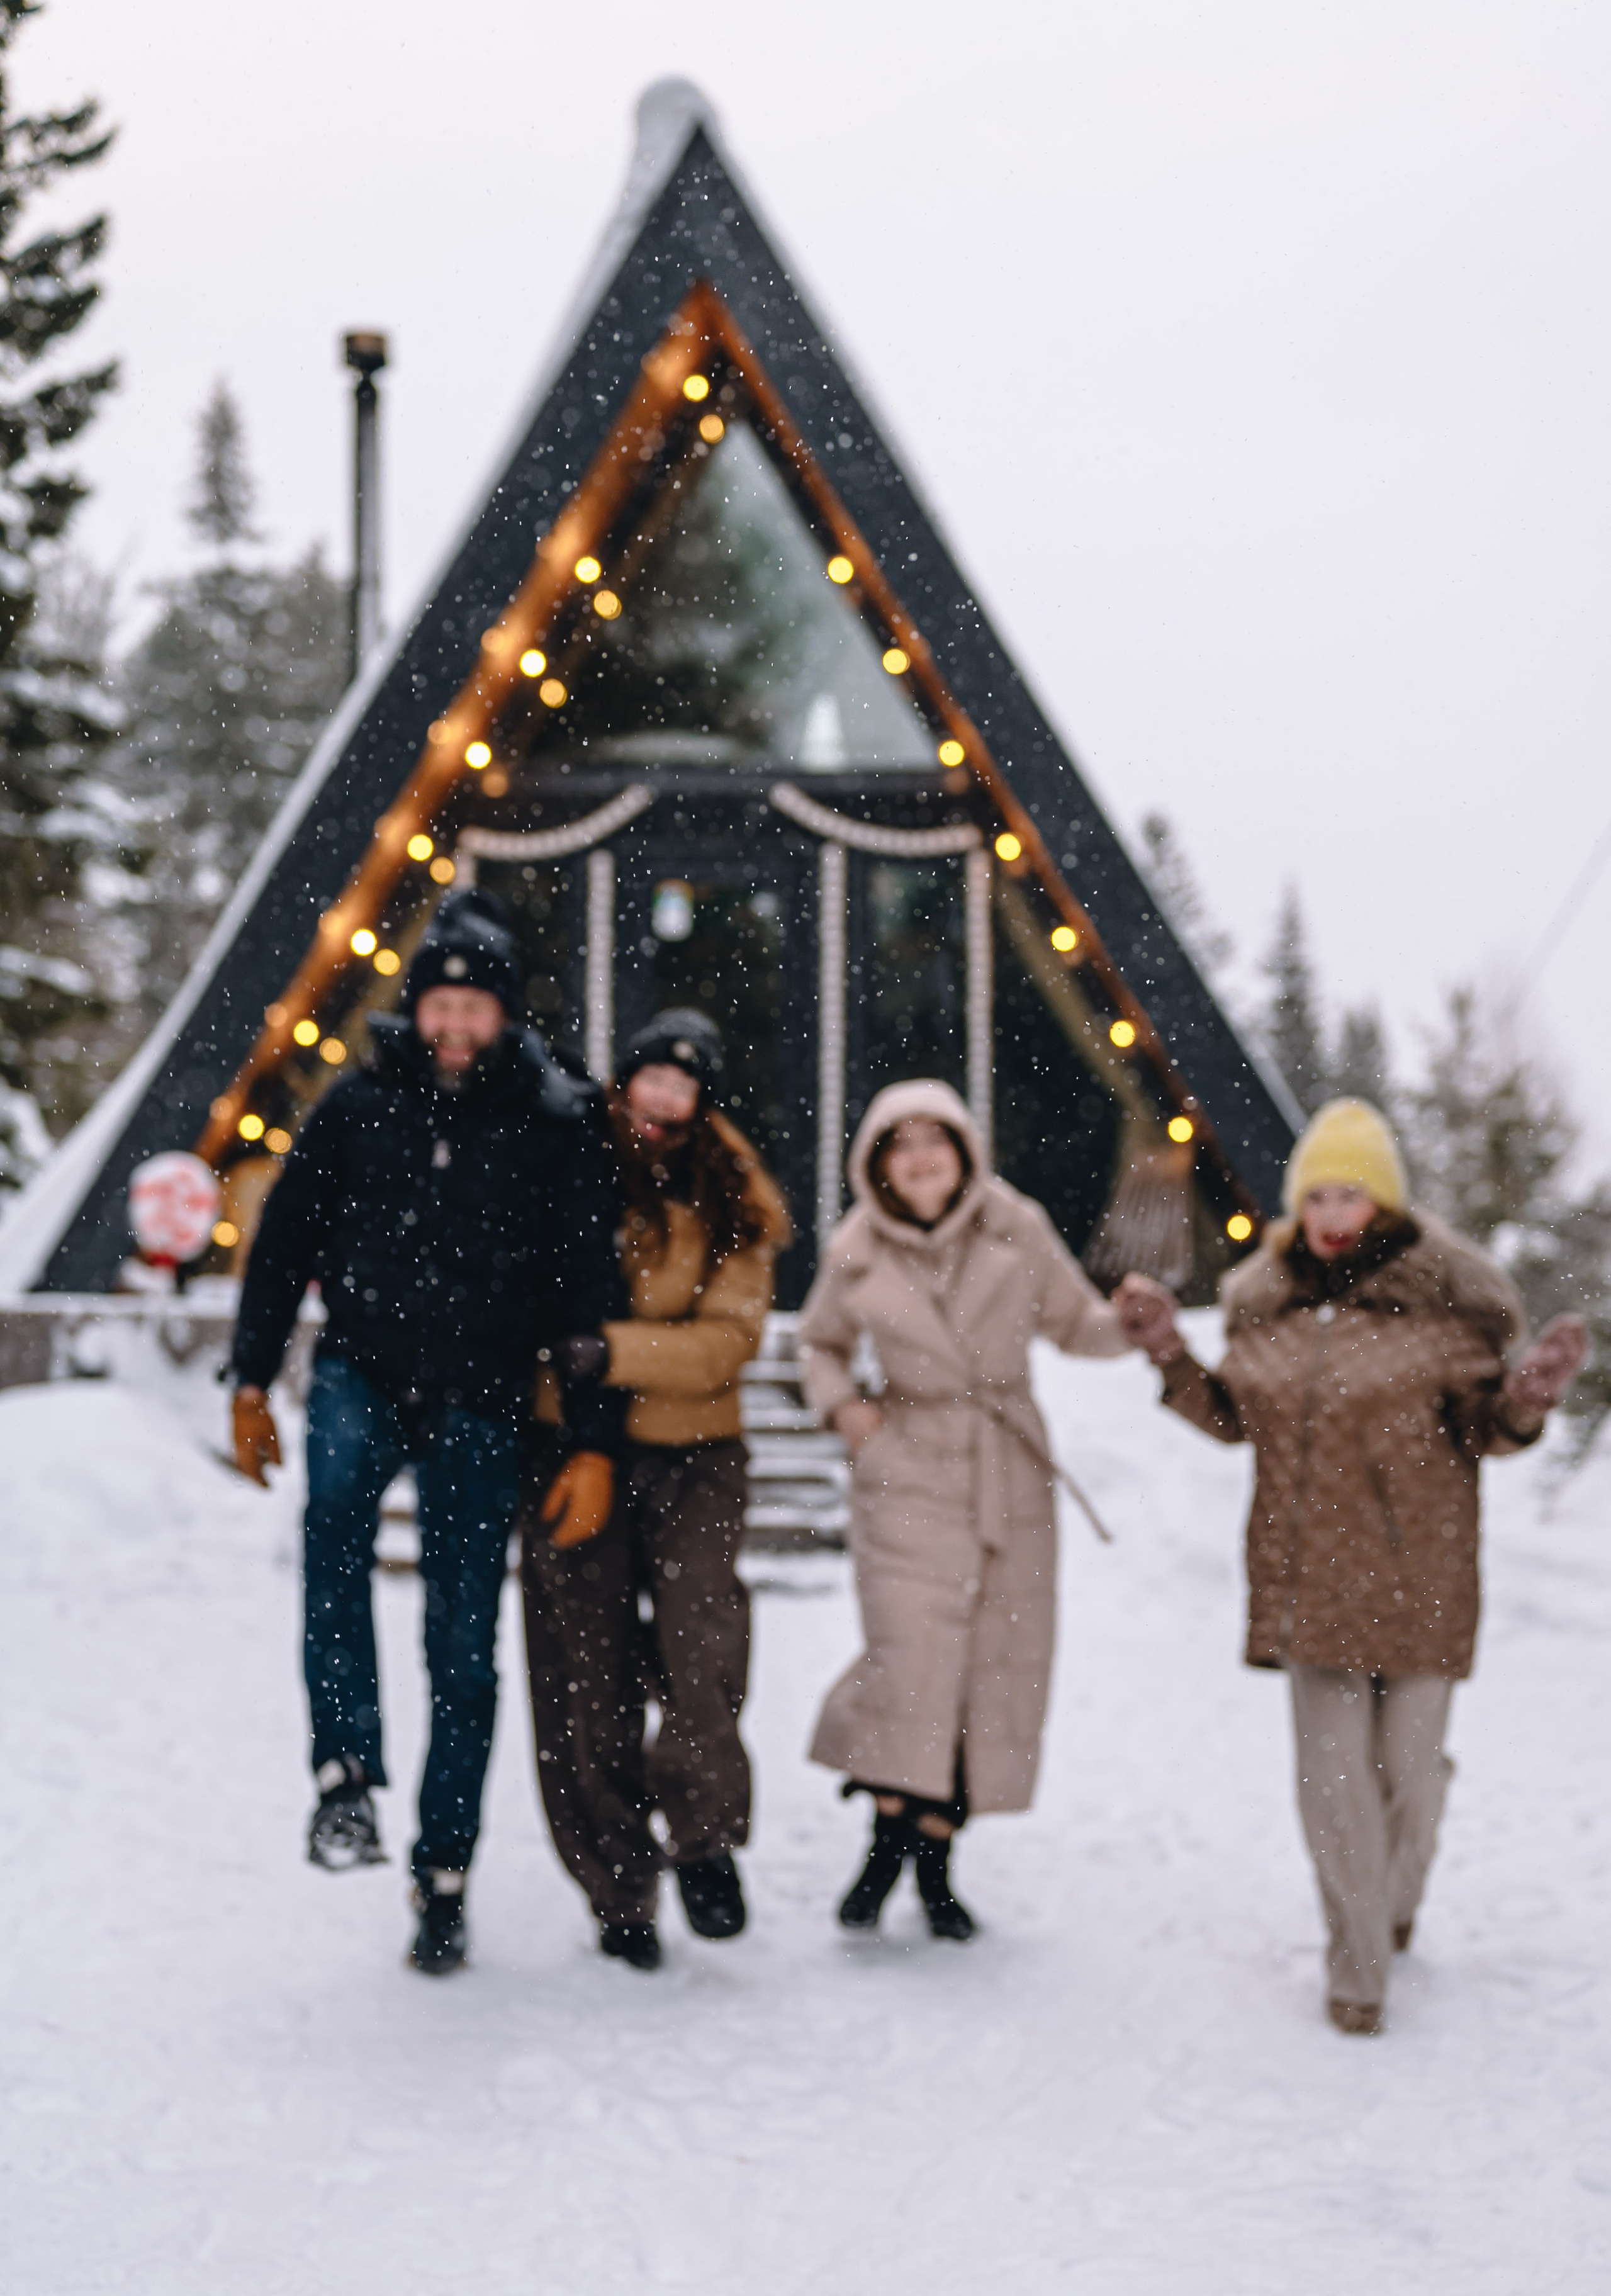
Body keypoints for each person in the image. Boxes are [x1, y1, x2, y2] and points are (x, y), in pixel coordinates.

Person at [1117, 1096, 1587, 2035]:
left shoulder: (1450, 1310)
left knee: (1409, 1776)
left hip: (1424, 1582)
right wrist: (1169, 1351)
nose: (1332, 1215)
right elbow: (1228, 1416)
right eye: (1317, 1195)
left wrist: (1529, 1398)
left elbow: (1489, 1429)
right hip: (1311, 1584)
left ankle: (1394, 1895)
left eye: (1352, 1196)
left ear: (1388, 1205)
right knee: (1334, 1783)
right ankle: (1358, 1967)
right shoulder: (1267, 1309)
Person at [228, 889, 625, 1976]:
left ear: (503, 1015)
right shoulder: (359, 1107)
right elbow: (282, 1244)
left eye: (476, 1007)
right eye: (441, 1004)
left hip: (483, 1396)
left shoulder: (551, 1122)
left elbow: (585, 1291)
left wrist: (591, 1436)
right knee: (333, 1552)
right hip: (361, 1368)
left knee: (463, 1642)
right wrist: (252, 1377)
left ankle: (443, 1871)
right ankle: (345, 1779)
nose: (456, 1025)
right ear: (421, 1009)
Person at [798, 1077, 1134, 1941]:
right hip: (904, 1468)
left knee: (991, 1671)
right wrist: (848, 1415)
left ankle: (937, 1868)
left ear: (962, 1153)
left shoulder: (1015, 1227)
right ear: (878, 1161)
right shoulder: (857, 1248)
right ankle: (883, 1848)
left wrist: (1133, 1322)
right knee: (911, 1664)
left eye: (934, 1141)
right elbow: (819, 1342)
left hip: (1005, 1471)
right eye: (901, 1144)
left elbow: (1075, 1324)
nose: (920, 1159)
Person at [519, 1010, 791, 1971]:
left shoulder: (735, 1199)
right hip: (567, 1448)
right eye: (652, 1076)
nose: (663, 1097)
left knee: (702, 1646)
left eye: (685, 1083)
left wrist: (617, 1351)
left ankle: (705, 1839)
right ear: (625, 1080)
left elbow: (728, 1341)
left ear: (703, 1101)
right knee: (582, 1672)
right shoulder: (566, 1153)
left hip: (695, 1453)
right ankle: (617, 1883)